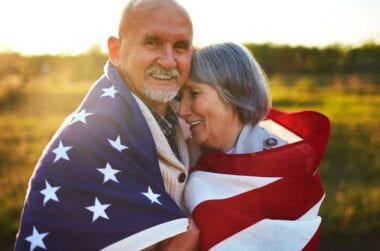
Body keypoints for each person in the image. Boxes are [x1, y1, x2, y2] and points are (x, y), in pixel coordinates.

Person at [15, 0, 199, 250]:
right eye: (151, 42)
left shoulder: (195, 120)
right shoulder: (85, 140)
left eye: (180, 46)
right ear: (116, 51)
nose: (168, 61)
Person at [178, 42, 331, 250]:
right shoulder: (181, 151)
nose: (182, 110)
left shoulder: (285, 163)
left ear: (233, 92)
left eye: (194, 94)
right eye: (180, 97)